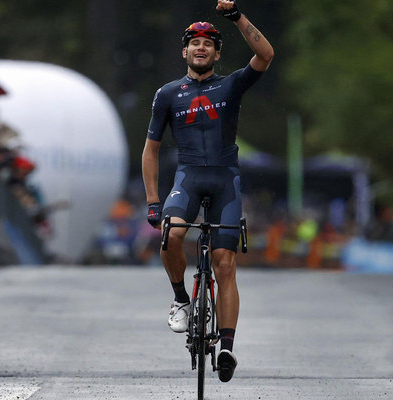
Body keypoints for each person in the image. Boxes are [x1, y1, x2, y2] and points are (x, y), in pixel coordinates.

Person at [142, 0, 273, 382]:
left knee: (226, 264)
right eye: (194, 42)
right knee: (172, 235)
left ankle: (228, 349)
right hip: (187, 177)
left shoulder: (230, 84)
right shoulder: (167, 93)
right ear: (184, 51)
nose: (201, 47)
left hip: (224, 181)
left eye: (208, 43)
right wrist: (153, 200)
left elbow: (265, 54)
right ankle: (181, 299)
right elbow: (151, 149)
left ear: (217, 53)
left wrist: (235, 17)